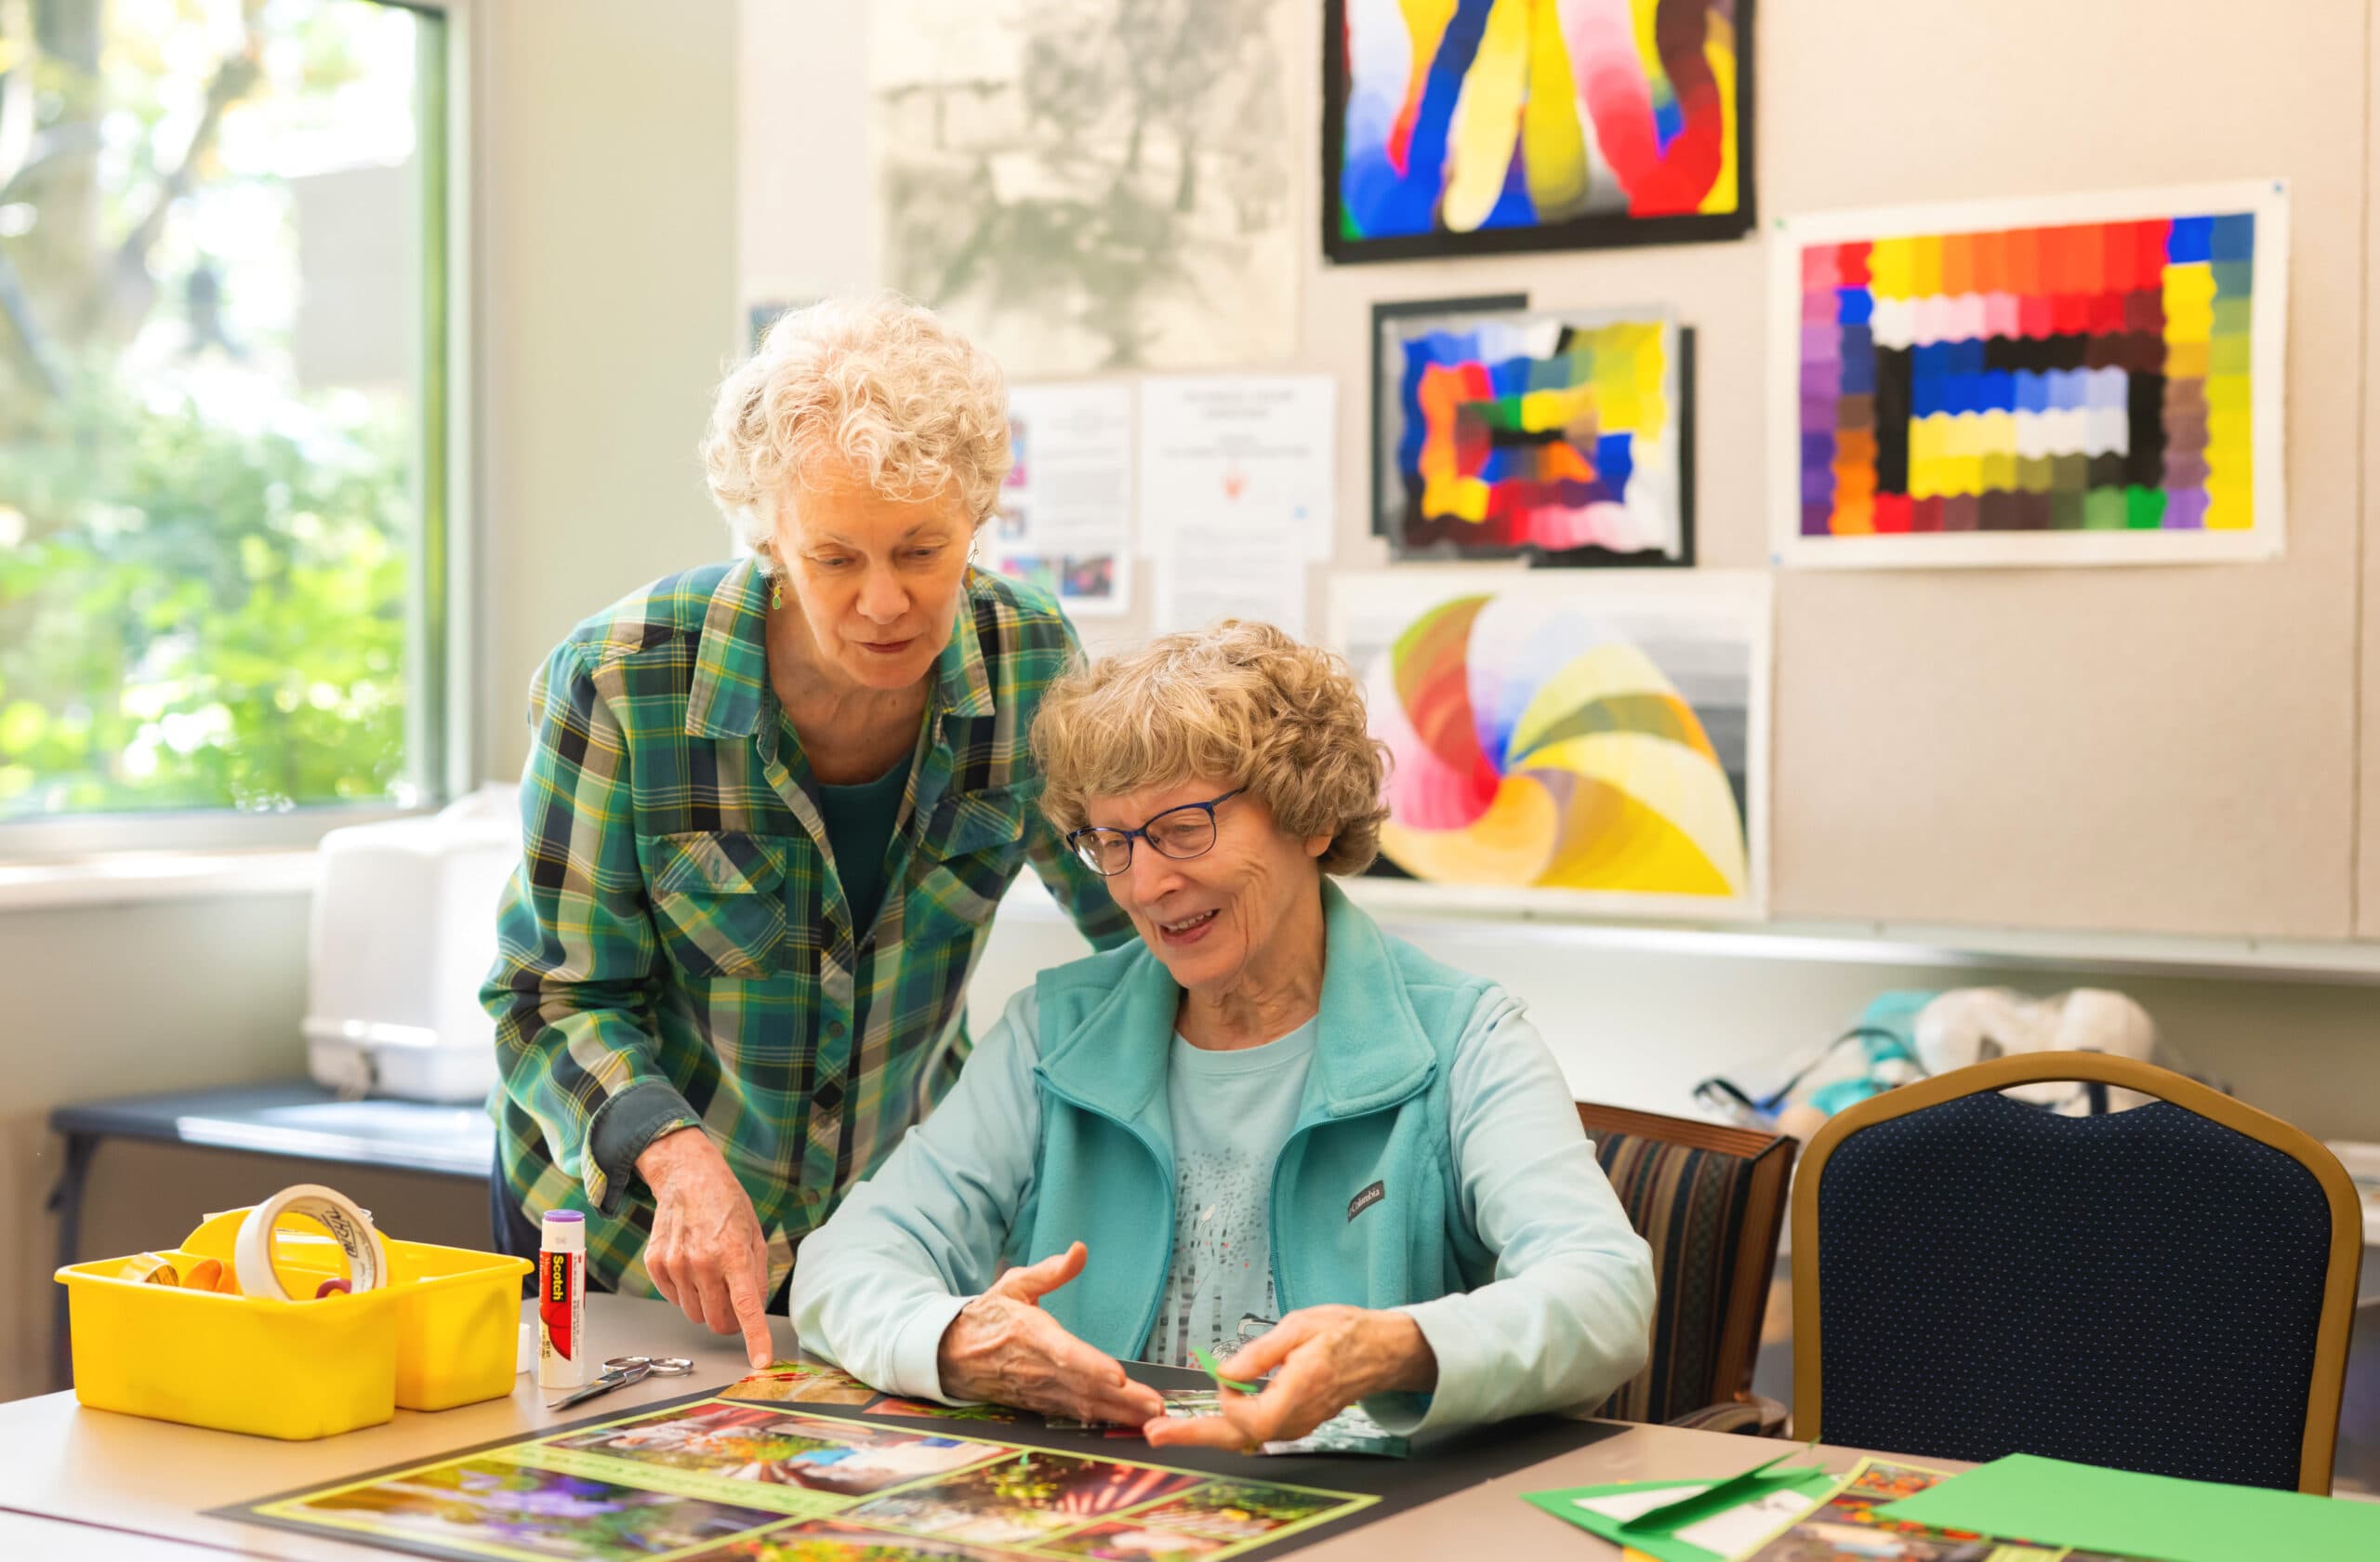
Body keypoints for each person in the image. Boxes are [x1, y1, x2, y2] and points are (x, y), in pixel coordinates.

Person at [791, 622, 1655, 1446]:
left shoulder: (1463, 1038)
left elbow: (1605, 1295)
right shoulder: (1053, 1033)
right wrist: (954, 1340)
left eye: (1182, 828)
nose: (1147, 882)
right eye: (1113, 840)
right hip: (1101, 1506)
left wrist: (1396, 1349)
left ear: (1309, 816)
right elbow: (845, 1262)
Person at [483, 295, 1134, 1369]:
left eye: (923, 550)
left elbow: (1134, 906)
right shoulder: (622, 679)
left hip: (883, 1236)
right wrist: (676, 1158)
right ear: (767, 538)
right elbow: (550, 993)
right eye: (836, 559)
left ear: (978, 517)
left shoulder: (1027, 661)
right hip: (624, 1231)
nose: (886, 602)